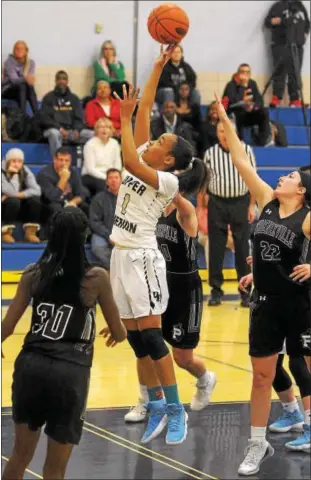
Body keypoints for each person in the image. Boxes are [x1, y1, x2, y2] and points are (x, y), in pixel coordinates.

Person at [109, 45, 208, 445]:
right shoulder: (153, 159)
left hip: (143, 258)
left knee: (152, 337)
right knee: (136, 340)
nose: (152, 140)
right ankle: (152, 405)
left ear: (167, 160)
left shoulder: (164, 180)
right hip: (119, 254)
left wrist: (122, 118)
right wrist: (157, 66)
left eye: (159, 141)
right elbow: (148, 103)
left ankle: (175, 408)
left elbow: (130, 161)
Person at [214, 93, 311, 475]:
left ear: (301, 190)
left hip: (299, 303)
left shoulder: (306, 217)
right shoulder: (267, 200)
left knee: (306, 367)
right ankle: (257, 445)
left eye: (290, 177)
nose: (282, 177)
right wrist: (224, 116)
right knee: (261, 376)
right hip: (265, 303)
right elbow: (239, 158)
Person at [1, 207, 127, 480]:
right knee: (55, 469)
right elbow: (119, 332)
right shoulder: (96, 278)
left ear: (51, 236)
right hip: (69, 373)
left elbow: (7, 327)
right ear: (84, 237)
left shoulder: (32, 274)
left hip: (30, 367)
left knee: (20, 456)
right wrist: (115, 332)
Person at [125, 193, 216, 424]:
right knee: (146, 344)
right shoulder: (153, 213)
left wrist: (170, 187)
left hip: (186, 290)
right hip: (158, 284)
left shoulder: (184, 212)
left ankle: (205, 379)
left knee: (182, 357)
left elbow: (181, 201)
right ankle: (145, 400)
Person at [240, 261, 310, 447]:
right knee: (272, 365)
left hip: (301, 299)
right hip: (271, 301)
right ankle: (291, 411)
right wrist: (258, 274)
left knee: (298, 363)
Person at [203, 121, 257, 307]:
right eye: (221, 130)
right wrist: (200, 208)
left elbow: (253, 179)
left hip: (241, 202)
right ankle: (216, 290)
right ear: (217, 133)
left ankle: (245, 292)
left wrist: (251, 206)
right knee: (216, 247)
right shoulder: (210, 153)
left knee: (242, 247)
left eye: (228, 130)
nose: (225, 134)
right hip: (217, 202)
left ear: (234, 131)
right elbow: (204, 182)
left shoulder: (245, 149)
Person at [264, 0, 310, 107]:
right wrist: (277, 21)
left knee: (295, 73)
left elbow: (307, 23)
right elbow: (268, 22)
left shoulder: (300, 6)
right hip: (281, 45)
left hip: (297, 46)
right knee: (279, 72)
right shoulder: (278, 6)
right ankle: (276, 98)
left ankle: (295, 99)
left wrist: (305, 33)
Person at [40, 71, 93, 156]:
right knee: (54, 133)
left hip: (71, 131)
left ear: (67, 81)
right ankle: (58, 160)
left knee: (92, 135)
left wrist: (77, 130)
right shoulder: (48, 98)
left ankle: (87, 162)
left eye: (64, 79)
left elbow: (79, 118)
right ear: (55, 81)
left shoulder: (74, 98)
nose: (61, 81)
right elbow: (44, 118)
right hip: (54, 130)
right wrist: (59, 128)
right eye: (59, 79)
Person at [222, 64, 271, 146]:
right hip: (236, 114)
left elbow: (259, 101)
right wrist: (243, 86)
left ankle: (262, 141)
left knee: (264, 112)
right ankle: (239, 142)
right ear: (238, 73)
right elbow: (232, 102)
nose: (245, 74)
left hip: (250, 114)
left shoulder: (252, 83)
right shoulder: (231, 85)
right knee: (239, 112)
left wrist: (253, 107)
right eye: (243, 72)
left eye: (248, 72)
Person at [2, 148, 42, 243]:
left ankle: (30, 232)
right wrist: (15, 176)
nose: (17, 164)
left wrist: (20, 195)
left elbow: (37, 190)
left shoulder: (25, 170)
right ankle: (5, 233)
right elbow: (10, 191)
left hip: (16, 205)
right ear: (7, 161)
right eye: (14, 161)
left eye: (20, 161)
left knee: (35, 201)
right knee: (13, 201)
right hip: (3, 206)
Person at [37, 147, 89, 220]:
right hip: (50, 204)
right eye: (61, 160)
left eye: (67, 161)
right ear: (54, 160)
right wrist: (63, 179)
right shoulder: (44, 174)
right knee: (56, 208)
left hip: (69, 201)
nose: (63, 163)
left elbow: (81, 193)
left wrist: (73, 203)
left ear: (70, 162)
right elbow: (52, 197)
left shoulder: (73, 172)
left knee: (85, 207)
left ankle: (84, 231)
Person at [89, 168, 122, 270]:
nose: (113, 180)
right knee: (98, 247)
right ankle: (113, 268)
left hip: (122, 234)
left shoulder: (128, 198)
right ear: (106, 181)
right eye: (110, 178)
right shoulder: (98, 198)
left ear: (121, 180)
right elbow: (94, 222)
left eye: (116, 177)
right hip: (103, 234)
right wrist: (108, 235)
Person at [82, 118, 122, 197]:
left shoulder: (115, 143)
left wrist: (114, 177)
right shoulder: (90, 144)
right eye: (101, 127)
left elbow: (117, 165)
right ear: (96, 130)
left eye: (107, 127)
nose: (104, 130)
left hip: (109, 175)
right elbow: (91, 169)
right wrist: (108, 178)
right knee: (102, 184)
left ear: (111, 130)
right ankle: (101, 207)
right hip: (90, 175)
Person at [2, 41, 38, 115]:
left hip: (24, 90)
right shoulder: (9, 62)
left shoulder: (31, 63)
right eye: (16, 49)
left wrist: (28, 80)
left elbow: (30, 81)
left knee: (29, 87)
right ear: (13, 51)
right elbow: (14, 80)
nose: (19, 51)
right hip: (8, 90)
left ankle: (37, 115)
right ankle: (23, 116)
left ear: (26, 51)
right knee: (22, 85)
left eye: (21, 49)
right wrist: (25, 79)